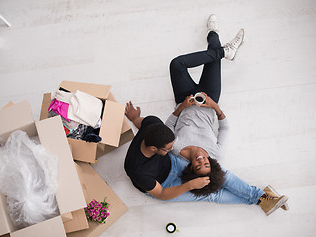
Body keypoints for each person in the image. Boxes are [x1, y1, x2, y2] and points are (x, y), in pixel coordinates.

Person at [124, 15, 289, 216]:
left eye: (170, 146)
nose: (172, 149)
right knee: (211, 194)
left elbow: (147, 124)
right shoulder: (137, 171)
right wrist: (190, 184)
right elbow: (163, 194)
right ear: (153, 148)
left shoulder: (154, 127)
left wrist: (134, 119)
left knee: (223, 177)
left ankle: (262, 198)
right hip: (166, 183)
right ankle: (261, 200)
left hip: (178, 151)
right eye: (167, 149)